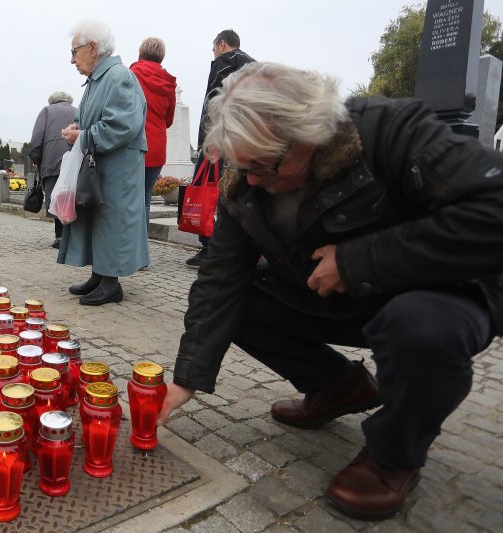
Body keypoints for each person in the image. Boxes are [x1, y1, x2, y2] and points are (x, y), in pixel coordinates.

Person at [158, 62, 503, 520]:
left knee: (418, 328)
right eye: (244, 166)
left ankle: (394, 456)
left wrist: (362, 260)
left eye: (266, 166)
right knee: (236, 304)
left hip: (436, 293)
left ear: (309, 133)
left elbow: (494, 209)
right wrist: (186, 378)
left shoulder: (390, 131)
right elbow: (219, 279)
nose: (254, 180)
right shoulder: (246, 183)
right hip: (337, 298)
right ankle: (338, 386)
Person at [58, 21, 149, 306]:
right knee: (99, 218)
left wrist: (83, 136)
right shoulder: (100, 79)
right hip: (104, 164)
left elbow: (122, 125)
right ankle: (100, 275)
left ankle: (111, 284)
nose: (72, 59)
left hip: (118, 168)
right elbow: (97, 120)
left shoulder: (119, 76)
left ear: (93, 48)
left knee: (113, 219)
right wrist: (78, 128)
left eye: (75, 51)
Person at [186, 29, 255, 268]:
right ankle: (234, 248)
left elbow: (213, 103)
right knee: (233, 195)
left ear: (222, 44)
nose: (213, 53)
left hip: (218, 141)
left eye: (214, 48)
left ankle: (210, 248)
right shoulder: (253, 66)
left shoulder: (224, 63)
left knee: (209, 194)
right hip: (242, 141)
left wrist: (209, 140)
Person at [130, 37, 177, 233]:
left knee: (128, 198)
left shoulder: (131, 75)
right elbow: (169, 120)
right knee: (146, 197)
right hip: (156, 148)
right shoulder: (168, 84)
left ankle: (126, 250)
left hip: (132, 145)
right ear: (162, 57)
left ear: (140, 53)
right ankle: (141, 251)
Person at [29, 91, 78, 248]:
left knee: (56, 198)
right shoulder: (77, 111)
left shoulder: (46, 111)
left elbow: (37, 139)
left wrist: (37, 159)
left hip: (51, 161)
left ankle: (59, 237)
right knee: (72, 196)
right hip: (74, 160)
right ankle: (74, 236)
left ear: (52, 101)